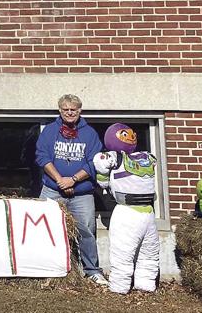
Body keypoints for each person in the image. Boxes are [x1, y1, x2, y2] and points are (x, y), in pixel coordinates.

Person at [35, 94, 107, 285]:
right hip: (52, 189)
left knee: (87, 231)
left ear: (79, 111)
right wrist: (60, 180)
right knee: (43, 228)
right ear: (60, 110)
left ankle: (92, 270)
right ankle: (43, 267)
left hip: (82, 193)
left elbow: (94, 162)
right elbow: (42, 157)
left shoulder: (89, 134)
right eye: (65, 109)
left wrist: (73, 180)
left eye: (73, 109)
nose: (69, 113)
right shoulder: (50, 131)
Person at [93, 123, 160, 294]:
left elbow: (101, 167)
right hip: (140, 211)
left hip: (135, 213)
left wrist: (104, 181)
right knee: (138, 253)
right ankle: (130, 285)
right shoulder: (143, 157)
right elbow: (101, 163)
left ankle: (132, 285)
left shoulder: (116, 158)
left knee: (136, 252)